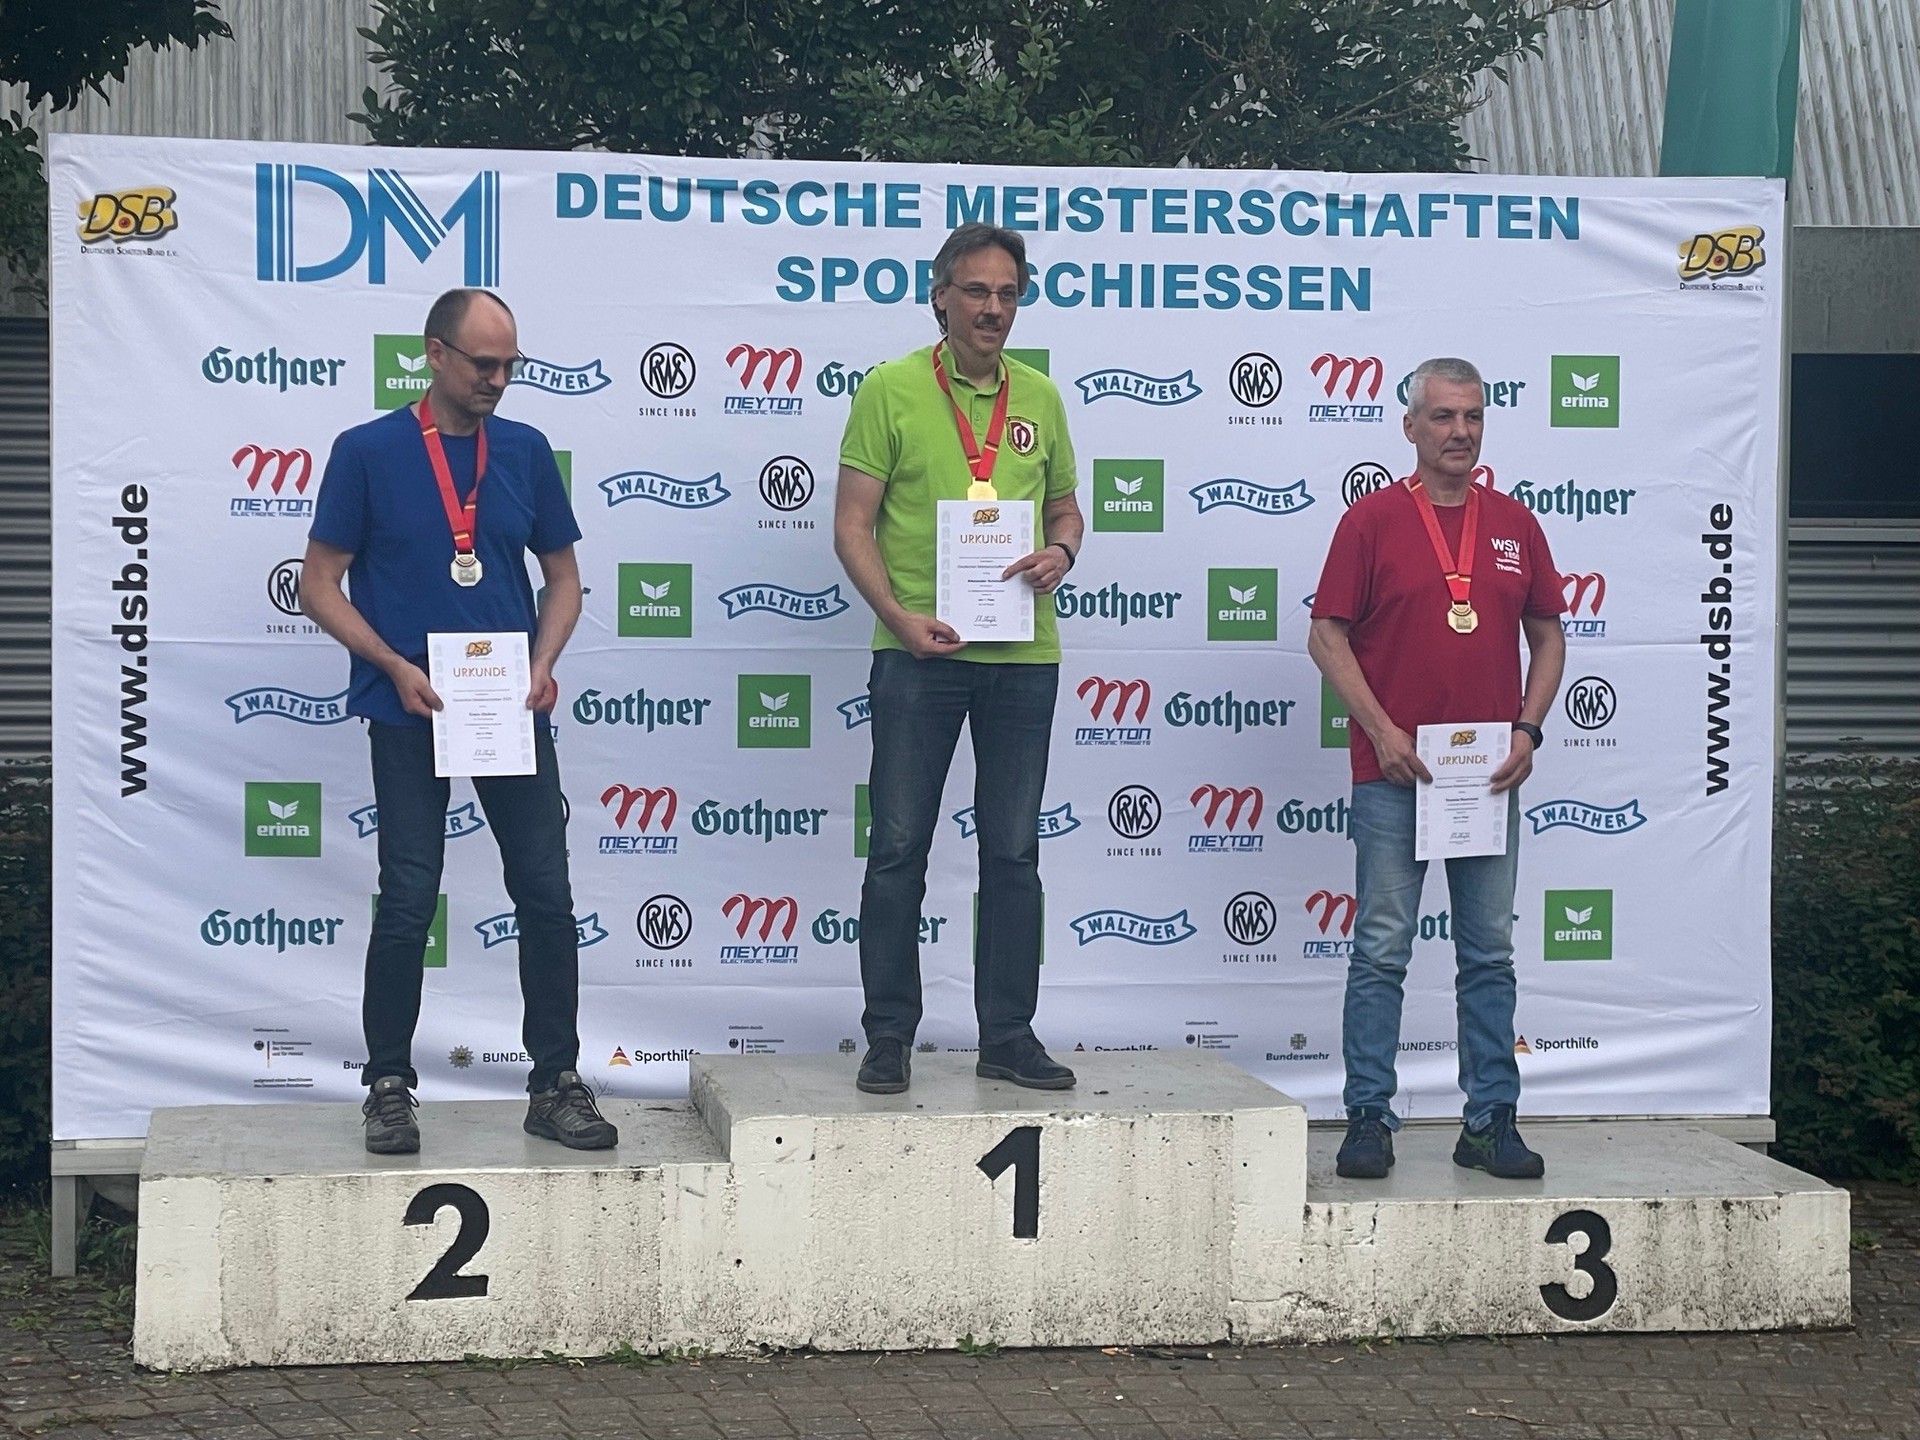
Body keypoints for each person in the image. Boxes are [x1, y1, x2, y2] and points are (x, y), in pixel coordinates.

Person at [302, 288, 616, 1155]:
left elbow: (563, 578)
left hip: (507, 706)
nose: (498, 380)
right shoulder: (367, 451)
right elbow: (319, 582)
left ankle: (555, 1082)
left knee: (545, 895)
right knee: (409, 897)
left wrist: (543, 663)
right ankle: (387, 1086)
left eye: (510, 365)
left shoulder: (524, 451)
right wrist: (392, 665)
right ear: (435, 353)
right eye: (483, 363)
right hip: (409, 706)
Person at [833, 223, 1086, 1095]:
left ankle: (1007, 1036)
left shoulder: (1041, 396)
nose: (992, 308)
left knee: (1013, 853)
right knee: (899, 846)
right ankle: (888, 1037)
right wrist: (898, 619)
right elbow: (852, 526)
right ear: (940, 296)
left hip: (1023, 654)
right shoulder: (891, 389)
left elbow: (1066, 509)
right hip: (919, 654)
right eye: (976, 291)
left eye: (1008, 293)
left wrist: (1063, 551)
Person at [1307, 356, 1566, 1179]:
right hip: (1395, 772)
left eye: (1473, 416)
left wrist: (1528, 730)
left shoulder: (1516, 524)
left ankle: (1490, 1120)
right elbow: (1325, 634)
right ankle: (1368, 1117)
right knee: (1383, 950)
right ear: (1410, 425)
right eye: (1444, 416)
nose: (1460, 431)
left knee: (1488, 953)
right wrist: (1382, 732)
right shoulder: (1372, 521)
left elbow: (1549, 634)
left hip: (1486, 778)